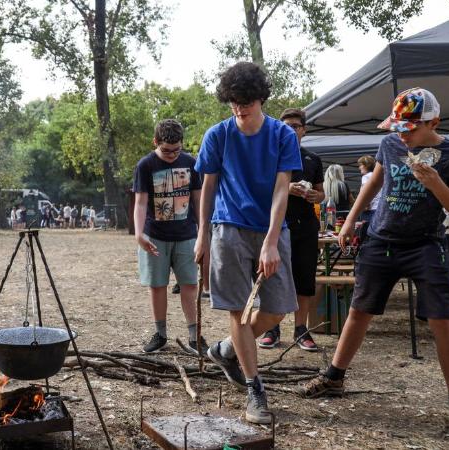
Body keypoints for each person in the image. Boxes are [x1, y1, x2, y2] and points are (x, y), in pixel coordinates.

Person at [297, 88, 449, 440]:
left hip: (426, 242)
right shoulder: (391, 145)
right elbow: (374, 183)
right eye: (399, 128)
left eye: (410, 129)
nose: (403, 136)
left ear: (434, 123)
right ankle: (334, 377)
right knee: (360, 311)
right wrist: (349, 221)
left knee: (443, 319)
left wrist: (436, 183)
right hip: (381, 239)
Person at [194, 62, 301, 425]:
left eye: (247, 103)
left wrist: (272, 240)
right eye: (234, 103)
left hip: (271, 227)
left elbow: (282, 187)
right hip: (228, 227)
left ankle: (226, 349)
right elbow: (207, 187)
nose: (240, 110)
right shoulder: (218, 135)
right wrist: (202, 233)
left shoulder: (282, 135)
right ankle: (255, 388)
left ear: (261, 99)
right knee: (238, 311)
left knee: (277, 310)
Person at [134, 119, 209, 355]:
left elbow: (198, 200)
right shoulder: (145, 165)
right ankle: (161, 333)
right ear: (155, 142)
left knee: (189, 284)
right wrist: (139, 234)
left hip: (187, 235)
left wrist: (203, 233)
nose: (172, 154)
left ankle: (194, 336)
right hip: (155, 235)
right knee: (157, 285)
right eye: (166, 150)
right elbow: (140, 203)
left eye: (177, 149)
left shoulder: (191, 163)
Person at [258, 108, 325, 351]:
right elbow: (261, 191)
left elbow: (321, 194)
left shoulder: (313, 159)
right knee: (272, 276)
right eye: (285, 126)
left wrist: (314, 195)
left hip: (306, 225)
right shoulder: (270, 156)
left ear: (304, 130)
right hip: (277, 225)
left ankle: (301, 329)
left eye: (295, 126)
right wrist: (288, 189)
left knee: (305, 278)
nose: (290, 130)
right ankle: (271, 329)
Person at [357, 155, 380, 222]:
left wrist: (365, 206)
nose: (359, 168)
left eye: (360, 165)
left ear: (366, 165)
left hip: (370, 210)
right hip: (379, 208)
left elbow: (365, 193)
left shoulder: (366, 177)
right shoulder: (377, 176)